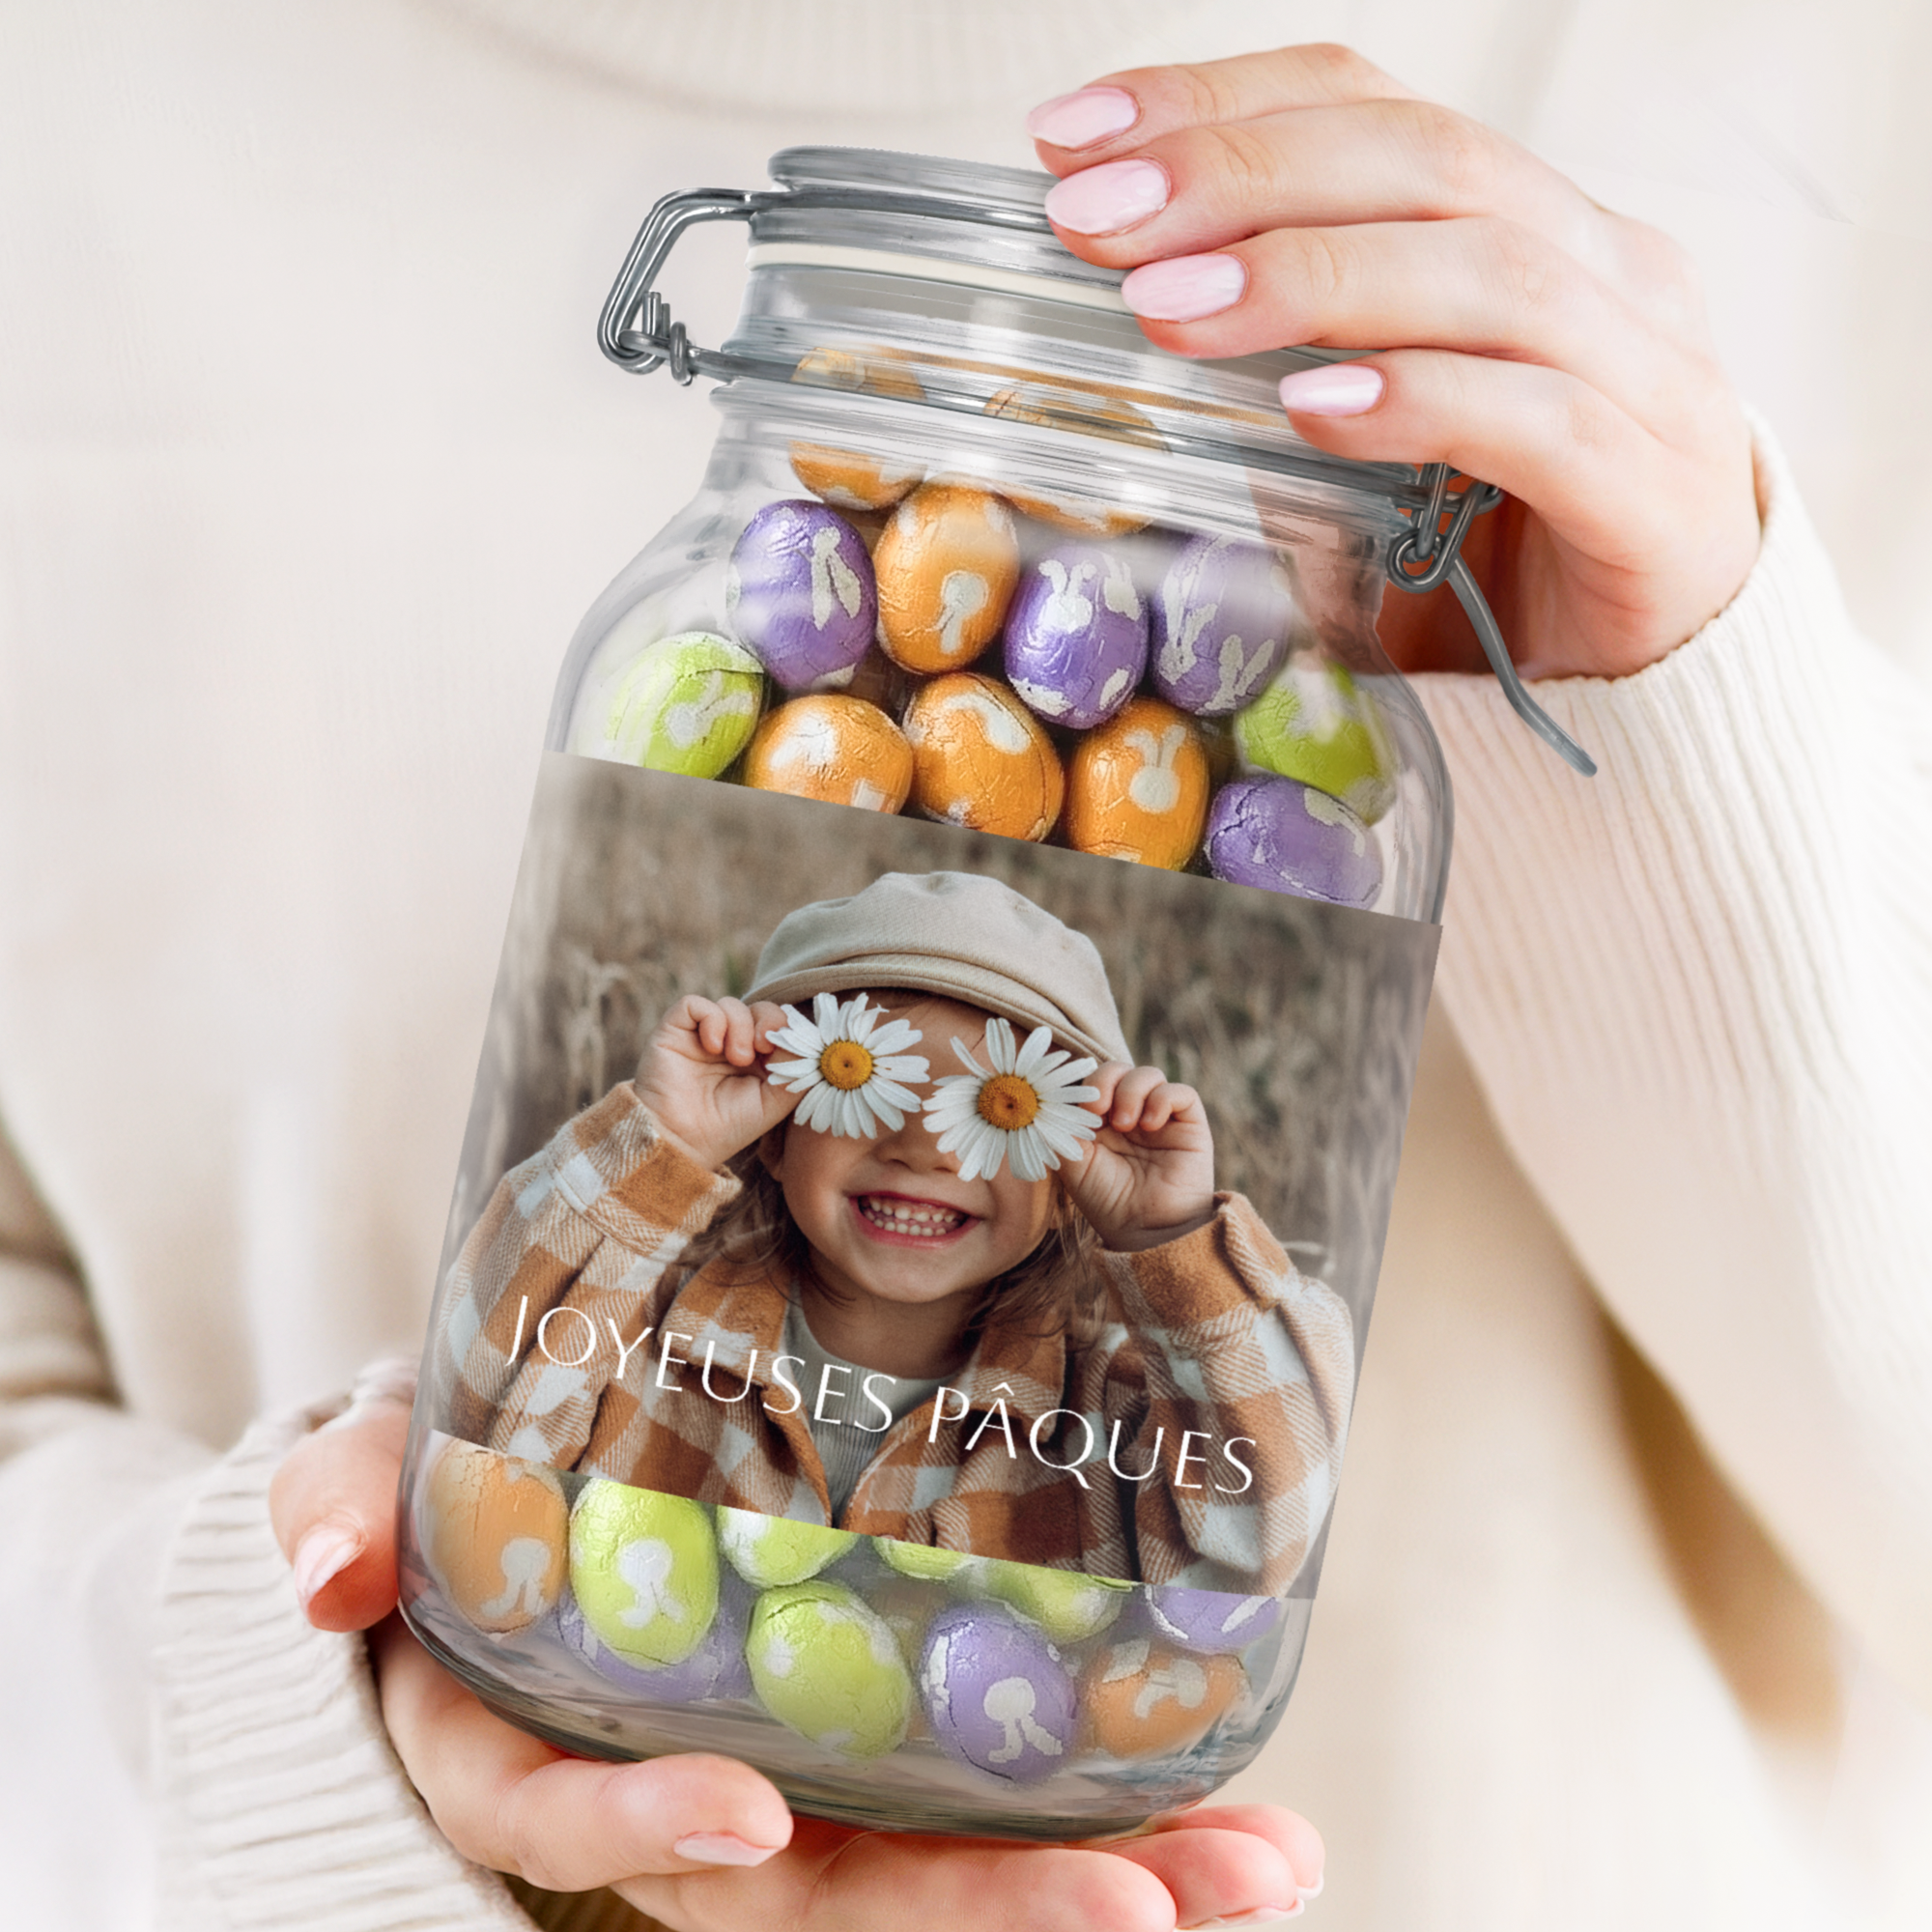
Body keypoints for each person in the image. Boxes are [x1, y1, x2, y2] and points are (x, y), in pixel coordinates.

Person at [4, 14, 1930, 1932]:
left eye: (1009, 1089)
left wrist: (1683, 730)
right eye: (879, 1065)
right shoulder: (684, 1276)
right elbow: (499, 1368)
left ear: (1079, 1139)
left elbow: (1251, 1502)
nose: (932, 1127)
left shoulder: (1112, 1346)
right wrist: (263, 1722)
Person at [428, 871, 1352, 1591]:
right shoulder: (633, 1336)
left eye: (1001, 1107)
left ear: (1074, 1173)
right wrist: (659, 1148)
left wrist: (1176, 1242)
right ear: (774, 1133)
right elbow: (479, 1408)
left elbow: (1253, 1551)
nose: (924, 1146)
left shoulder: (1115, 1417)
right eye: (862, 1078)